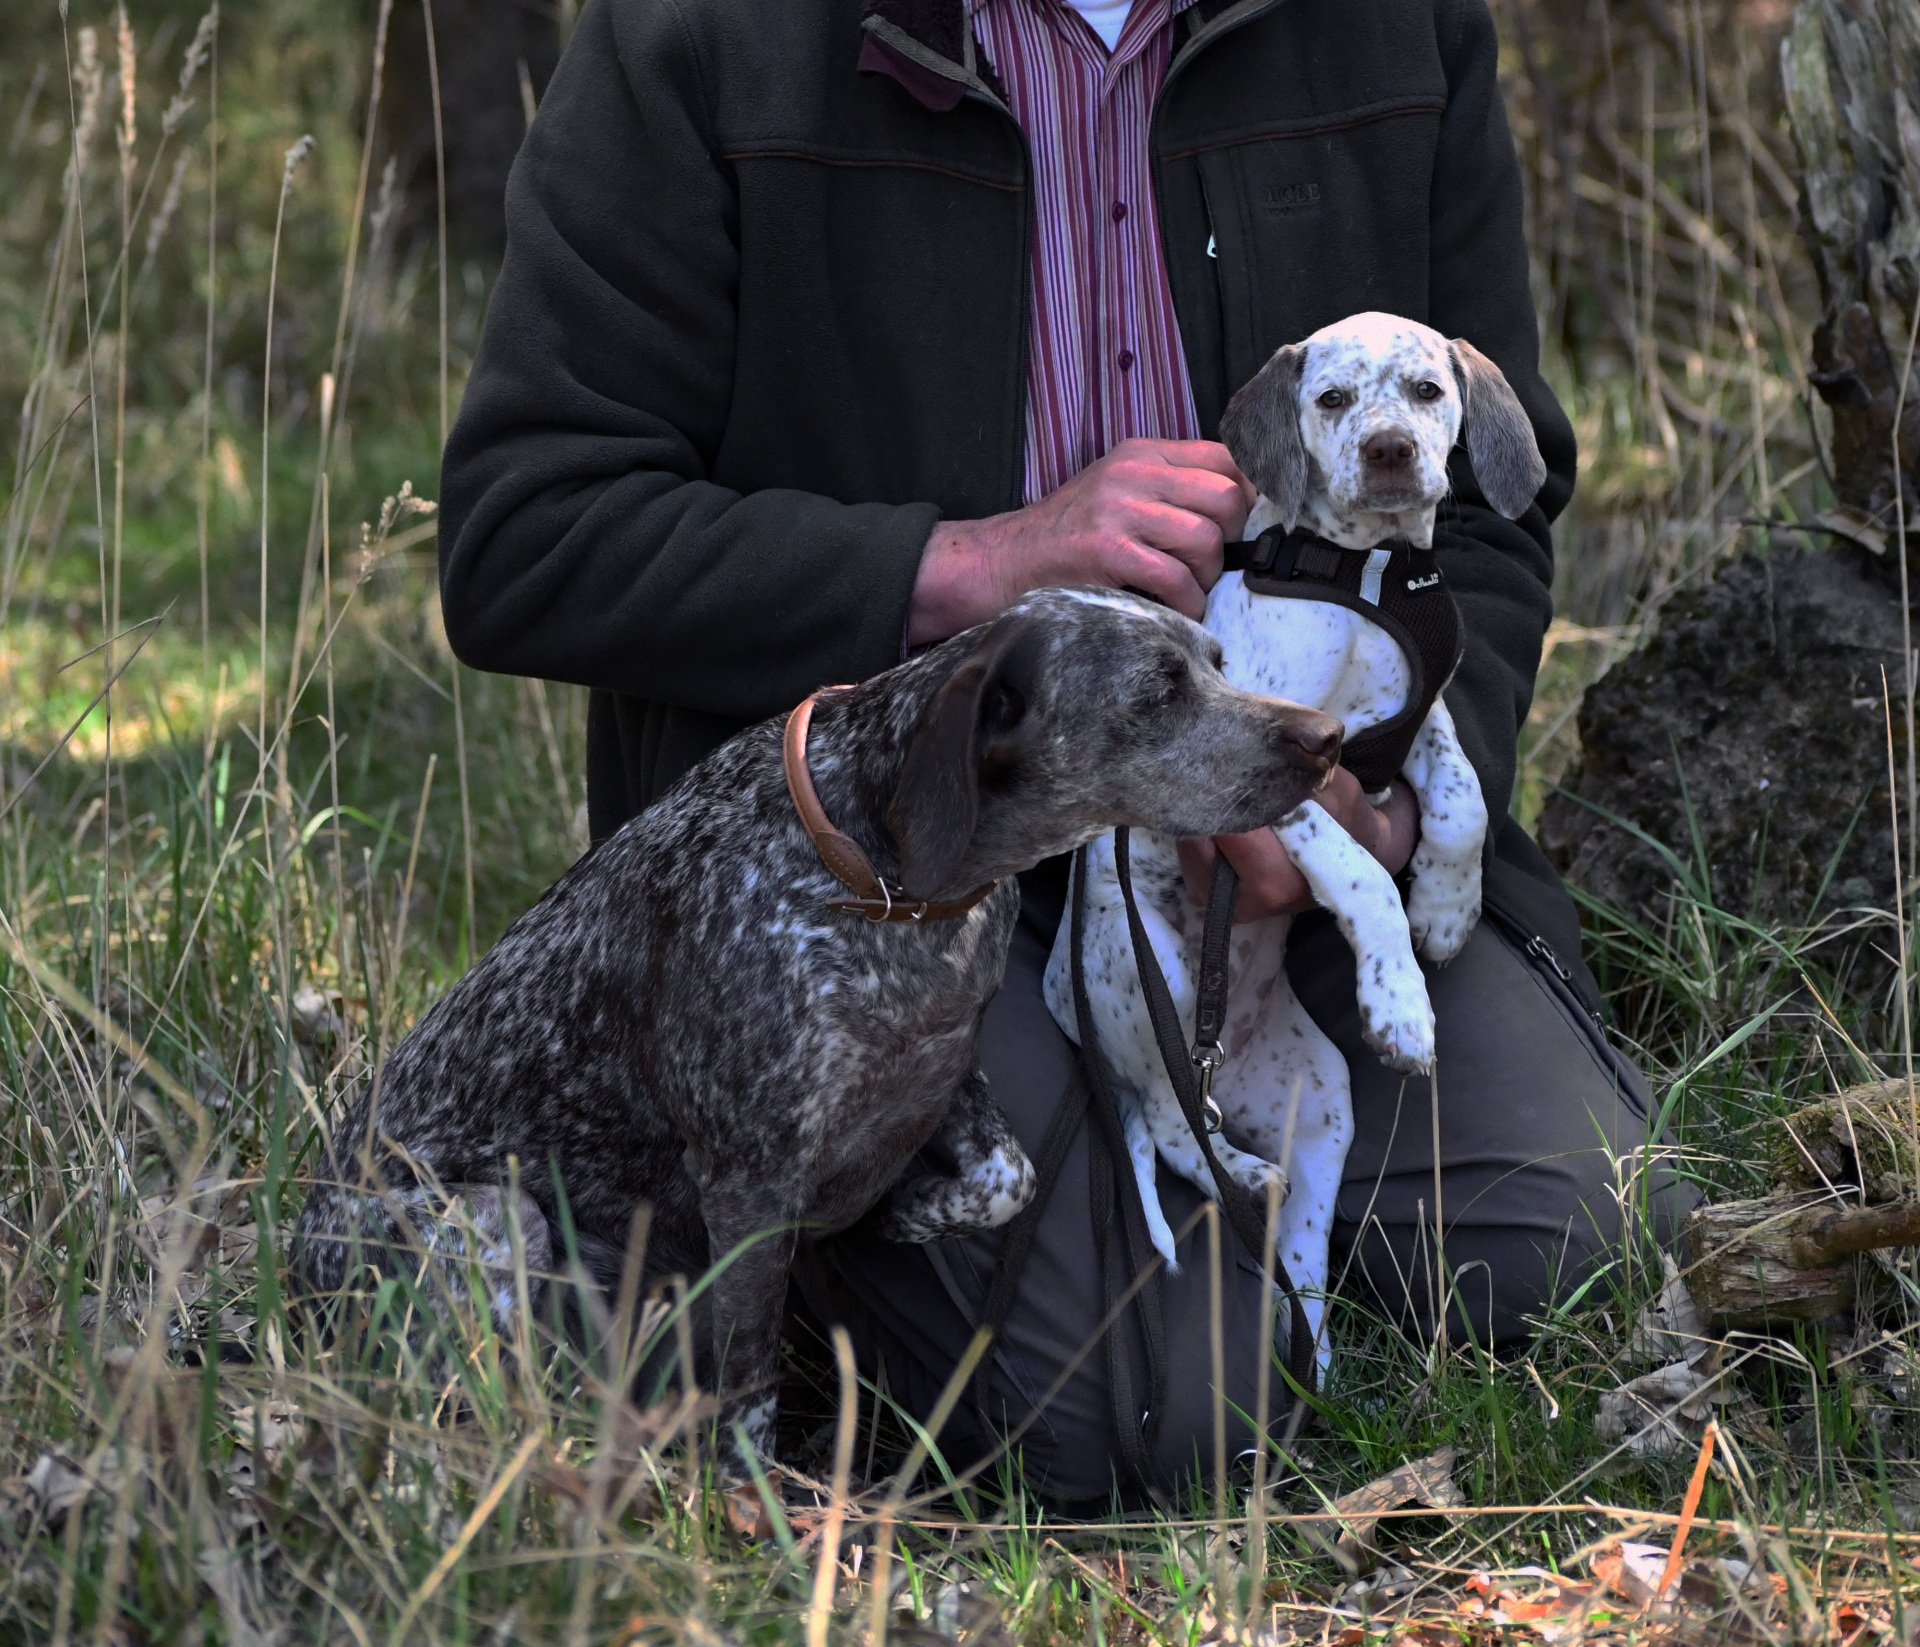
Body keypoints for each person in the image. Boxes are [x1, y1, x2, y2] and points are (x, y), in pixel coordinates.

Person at [437, 0, 1694, 1504]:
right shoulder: (703, 35)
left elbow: (1490, 507)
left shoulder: (1397, 25)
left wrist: (1377, 801)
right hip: (885, 886)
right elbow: (527, 533)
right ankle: (783, 1216)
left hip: (1284, 835)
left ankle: (1190, 1214)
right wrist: (975, 561)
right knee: (1152, 1425)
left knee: (1585, 1243)